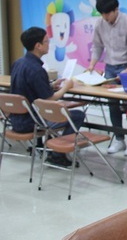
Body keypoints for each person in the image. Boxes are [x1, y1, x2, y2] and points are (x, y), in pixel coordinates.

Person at [10, 27, 86, 168]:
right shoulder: (37, 70)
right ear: (38, 46)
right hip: (32, 122)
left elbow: (29, 88)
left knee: (60, 112)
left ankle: (52, 148)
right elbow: (50, 100)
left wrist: (49, 85)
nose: (49, 44)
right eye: (46, 41)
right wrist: (66, 87)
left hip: (15, 120)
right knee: (76, 115)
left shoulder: (19, 63)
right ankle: (58, 154)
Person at [87, 0, 127, 155]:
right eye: (102, 13)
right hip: (110, 67)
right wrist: (91, 65)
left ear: (116, 9)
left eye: (107, 13)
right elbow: (97, 46)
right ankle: (119, 140)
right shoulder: (100, 24)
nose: (105, 16)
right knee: (112, 105)